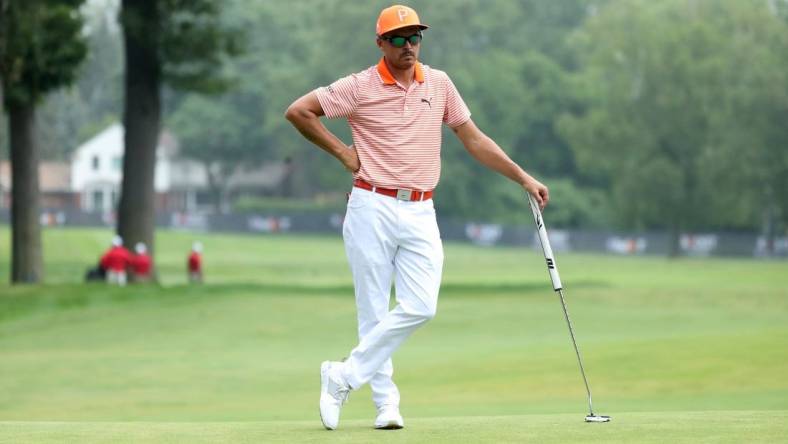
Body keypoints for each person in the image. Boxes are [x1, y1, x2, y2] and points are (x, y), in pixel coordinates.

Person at [285, 4, 549, 431]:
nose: (409, 46)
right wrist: (343, 153)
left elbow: (474, 139)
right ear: (381, 44)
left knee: (422, 306)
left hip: (422, 207)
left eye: (415, 38)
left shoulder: (440, 84)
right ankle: (386, 405)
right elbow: (298, 111)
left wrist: (522, 177)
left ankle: (343, 375)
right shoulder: (359, 86)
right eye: (398, 39)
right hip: (372, 204)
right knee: (373, 311)